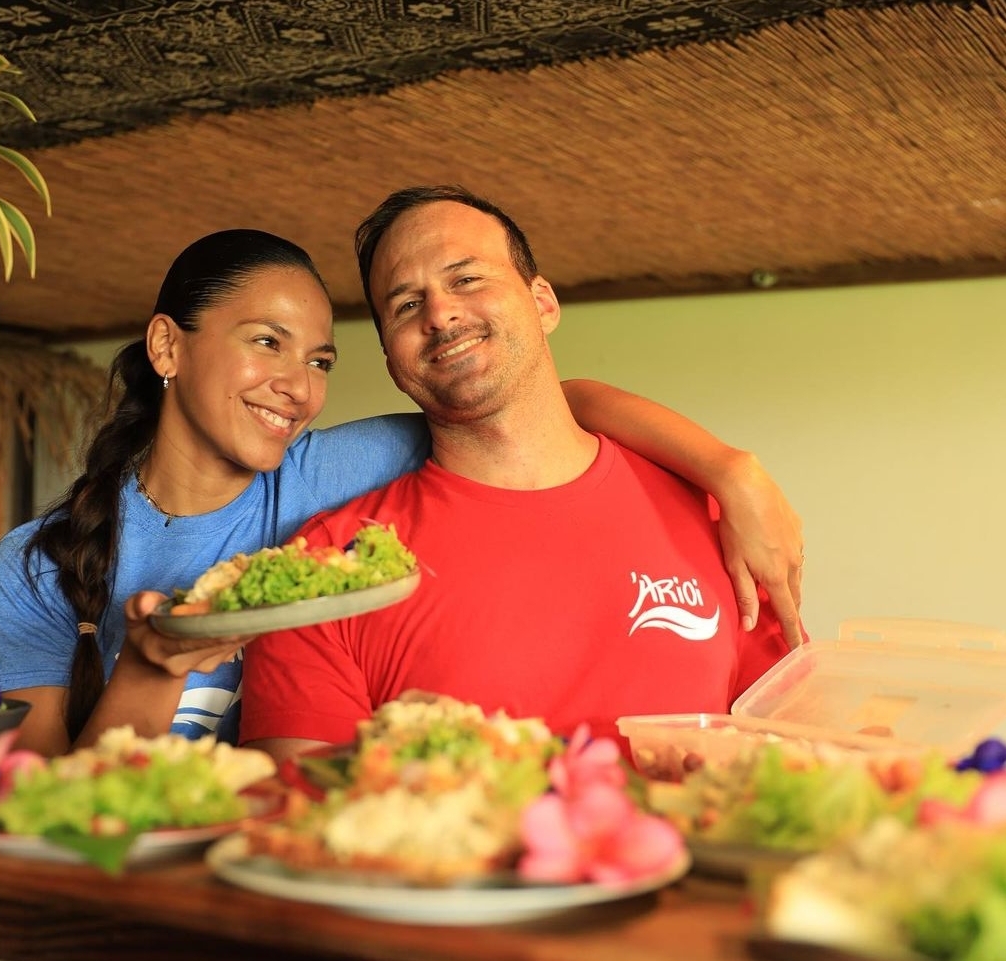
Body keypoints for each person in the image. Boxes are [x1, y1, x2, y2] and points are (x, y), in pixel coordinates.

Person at [0, 226, 801, 758]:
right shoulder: (32, 569)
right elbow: (37, 814)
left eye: (321, 362)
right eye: (267, 343)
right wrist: (152, 664)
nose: (295, 386)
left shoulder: (326, 473)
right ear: (167, 347)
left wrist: (732, 469)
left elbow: (533, 398)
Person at [239, 187, 805, 762]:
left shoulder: (717, 515)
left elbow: (794, 752)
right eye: (406, 305)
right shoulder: (325, 570)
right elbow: (299, 811)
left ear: (543, 303)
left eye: (466, 279)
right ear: (389, 354)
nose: (440, 313)